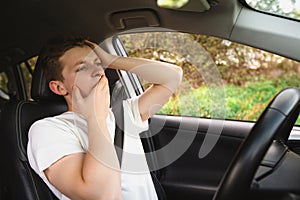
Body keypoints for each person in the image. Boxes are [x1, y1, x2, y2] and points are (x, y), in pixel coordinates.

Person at [27, 36, 182, 200]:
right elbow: (103, 195)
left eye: (98, 63)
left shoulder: (123, 114)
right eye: (82, 68)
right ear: (59, 87)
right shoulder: (48, 130)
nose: (98, 71)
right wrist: (96, 118)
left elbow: (172, 77)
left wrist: (111, 60)